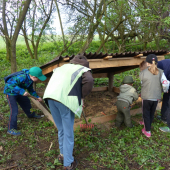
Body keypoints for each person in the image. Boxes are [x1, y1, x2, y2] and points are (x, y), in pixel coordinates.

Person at [43, 54, 94, 170]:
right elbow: (89, 81)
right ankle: (68, 163)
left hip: (50, 97)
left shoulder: (62, 67)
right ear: (85, 63)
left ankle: (62, 155)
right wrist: (81, 97)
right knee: (68, 132)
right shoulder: (84, 69)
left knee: (61, 129)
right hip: (64, 101)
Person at [4, 67, 47, 136]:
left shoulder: (30, 79)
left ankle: (31, 115)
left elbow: (30, 89)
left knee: (26, 102)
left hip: (20, 92)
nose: (38, 79)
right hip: (11, 93)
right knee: (14, 110)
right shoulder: (22, 77)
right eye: (38, 78)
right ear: (33, 77)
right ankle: (11, 129)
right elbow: (9, 84)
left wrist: (37, 97)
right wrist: (22, 91)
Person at [139, 54, 169, 137]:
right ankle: (148, 123)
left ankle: (147, 131)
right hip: (156, 97)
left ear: (147, 63)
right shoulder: (161, 72)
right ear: (156, 63)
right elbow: (165, 83)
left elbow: (142, 83)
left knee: (146, 113)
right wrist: (165, 90)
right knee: (152, 112)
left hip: (146, 97)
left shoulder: (143, 73)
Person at [157, 59, 170, 125]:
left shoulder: (159, 69)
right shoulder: (160, 65)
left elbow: (165, 82)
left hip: (168, 81)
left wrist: (165, 89)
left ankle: (166, 120)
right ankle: (163, 116)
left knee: (168, 101)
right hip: (168, 80)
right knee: (165, 98)